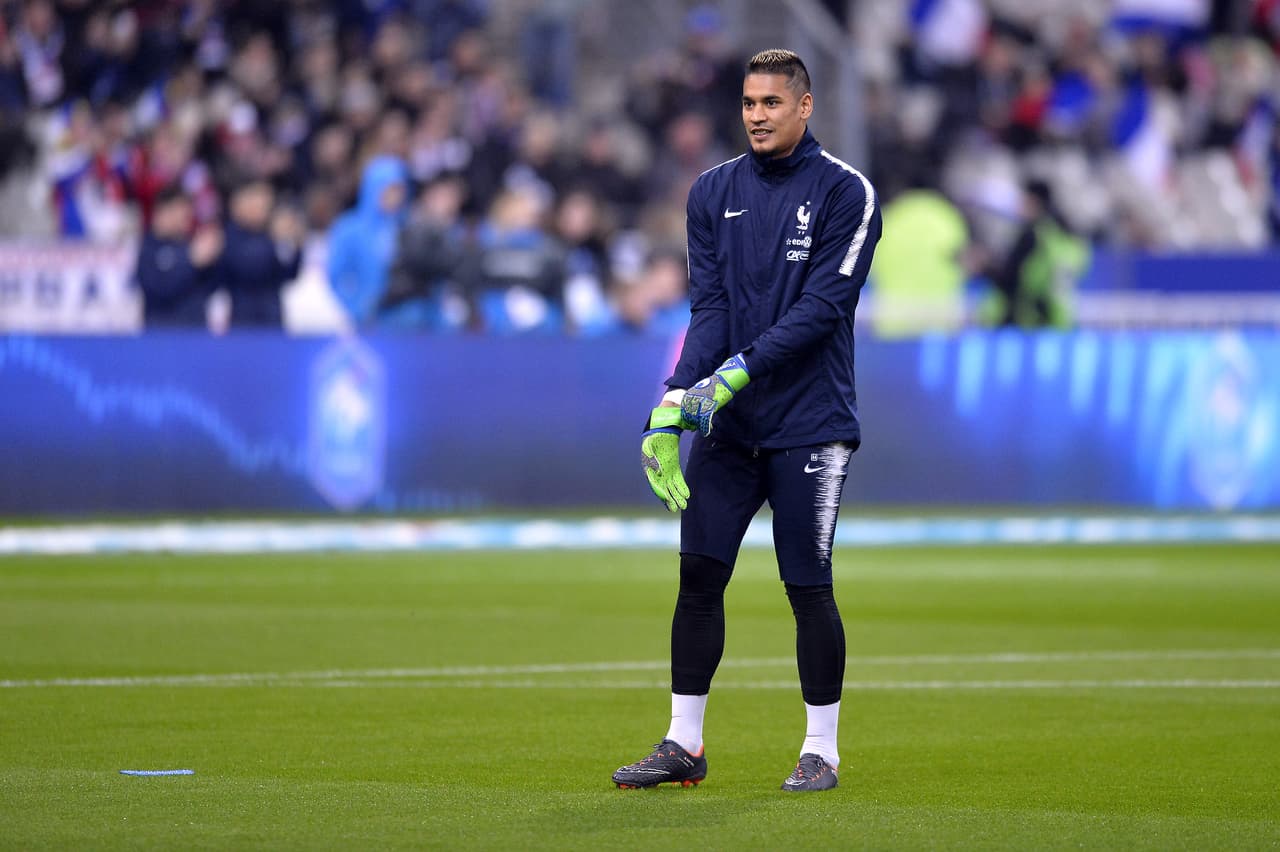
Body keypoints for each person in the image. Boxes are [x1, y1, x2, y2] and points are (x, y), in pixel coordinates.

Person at [612, 49, 882, 793]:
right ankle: (683, 745)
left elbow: (823, 309)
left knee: (807, 584)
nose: (757, 114)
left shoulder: (846, 194)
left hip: (811, 423)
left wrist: (732, 374)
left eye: (772, 102)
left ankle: (821, 750)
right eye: (748, 102)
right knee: (698, 576)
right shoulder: (712, 191)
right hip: (729, 426)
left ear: (805, 106)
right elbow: (712, 311)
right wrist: (671, 404)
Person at [219, 179, 303, 328]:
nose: (261, 207)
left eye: (265, 203)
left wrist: (290, 243)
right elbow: (249, 266)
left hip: (273, 318)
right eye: (256, 201)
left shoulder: (270, 234)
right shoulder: (229, 234)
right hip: (242, 320)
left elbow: (290, 273)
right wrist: (275, 241)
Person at [134, 186, 221, 328]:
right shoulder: (148, 249)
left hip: (195, 334)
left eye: (186, 213)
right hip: (160, 333)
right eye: (176, 211)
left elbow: (212, 288)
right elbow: (160, 289)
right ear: (161, 212)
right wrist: (190, 261)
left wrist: (213, 259)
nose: (182, 218)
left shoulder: (191, 245)